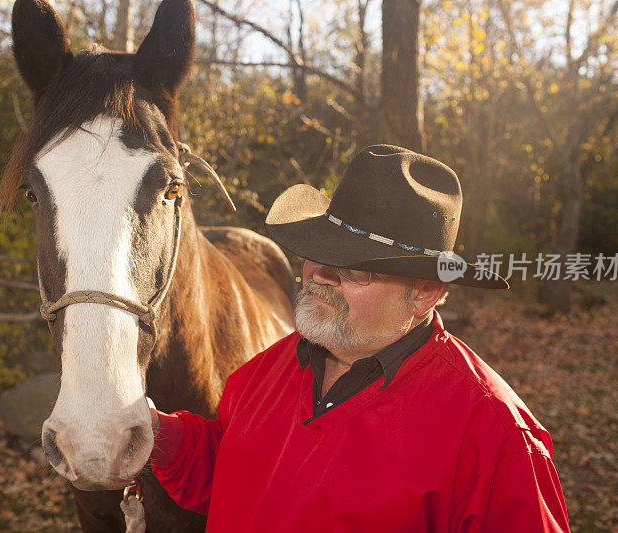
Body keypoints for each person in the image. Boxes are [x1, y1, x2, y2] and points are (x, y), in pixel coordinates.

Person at [146, 145, 570, 531]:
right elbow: (238, 474)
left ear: (425, 292)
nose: (321, 276)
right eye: (321, 251)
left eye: (358, 269)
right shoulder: (263, 371)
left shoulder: (497, 441)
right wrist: (159, 435)